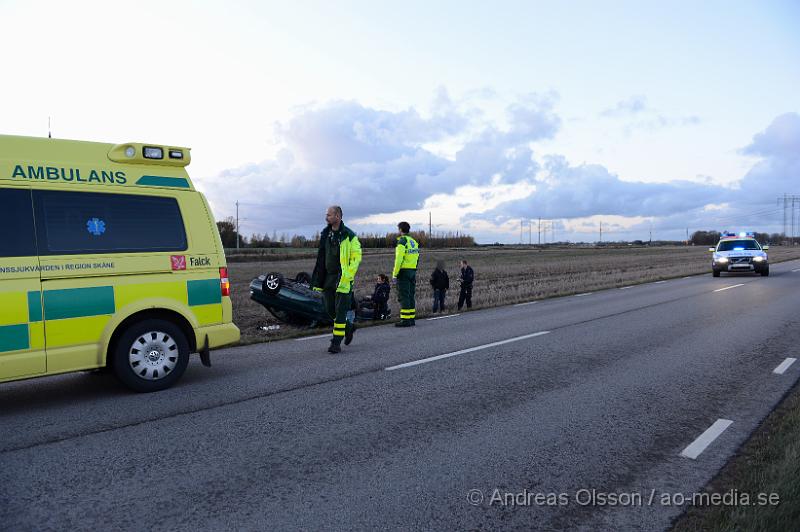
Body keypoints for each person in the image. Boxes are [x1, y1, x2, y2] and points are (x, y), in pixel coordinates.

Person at [310, 205, 362, 353]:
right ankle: (349, 327)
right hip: (327, 277)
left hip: (342, 278)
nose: (326, 217)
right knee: (330, 310)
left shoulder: (349, 235)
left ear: (338, 216)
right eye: (326, 215)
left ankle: (335, 343)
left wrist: (348, 275)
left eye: (329, 215)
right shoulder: (325, 234)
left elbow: (356, 257)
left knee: (340, 311)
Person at [392, 221, 419, 326]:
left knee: (404, 296)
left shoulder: (402, 241)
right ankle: (411, 319)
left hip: (403, 271)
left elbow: (398, 259)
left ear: (400, 230)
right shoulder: (413, 241)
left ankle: (405, 320)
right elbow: (417, 257)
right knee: (411, 295)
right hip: (412, 270)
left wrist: (395, 274)